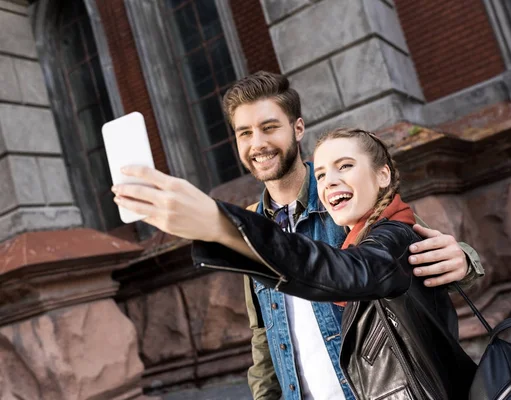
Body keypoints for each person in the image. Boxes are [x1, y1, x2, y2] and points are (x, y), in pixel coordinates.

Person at [112, 71, 484, 399]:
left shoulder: (345, 199)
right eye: (245, 133)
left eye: (269, 127)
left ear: (298, 128)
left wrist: (464, 259)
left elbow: (396, 259)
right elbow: (264, 341)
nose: (257, 144)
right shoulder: (255, 222)